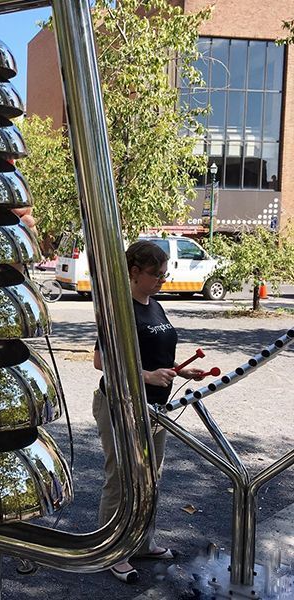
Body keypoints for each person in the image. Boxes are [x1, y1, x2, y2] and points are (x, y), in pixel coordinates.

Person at [92, 240, 206, 584]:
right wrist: (146, 376)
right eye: (156, 274)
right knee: (122, 477)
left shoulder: (154, 306)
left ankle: (141, 541)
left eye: (164, 274)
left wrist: (178, 370)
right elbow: (102, 362)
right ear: (134, 272)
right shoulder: (119, 309)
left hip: (155, 409)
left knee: (150, 477)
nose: (162, 280)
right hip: (119, 405)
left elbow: (155, 354)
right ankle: (111, 549)